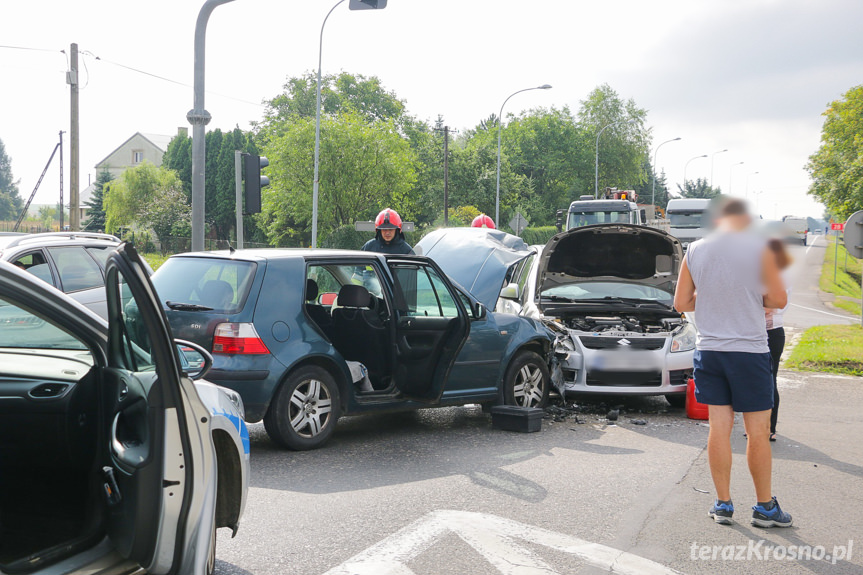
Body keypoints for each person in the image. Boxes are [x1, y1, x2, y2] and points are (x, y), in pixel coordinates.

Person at [673, 197, 792, 528]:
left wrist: (712, 293)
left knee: (719, 427)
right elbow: (778, 299)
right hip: (749, 352)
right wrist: (748, 294)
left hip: (710, 351)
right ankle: (765, 508)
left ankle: (723, 504)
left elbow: (681, 301)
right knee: (757, 431)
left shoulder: (695, 250)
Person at [765, 239, 792, 442]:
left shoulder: (780, 277)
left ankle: (770, 427)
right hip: (752, 333)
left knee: (769, 379)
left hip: (772, 332)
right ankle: (757, 425)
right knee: (754, 380)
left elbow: (771, 307)